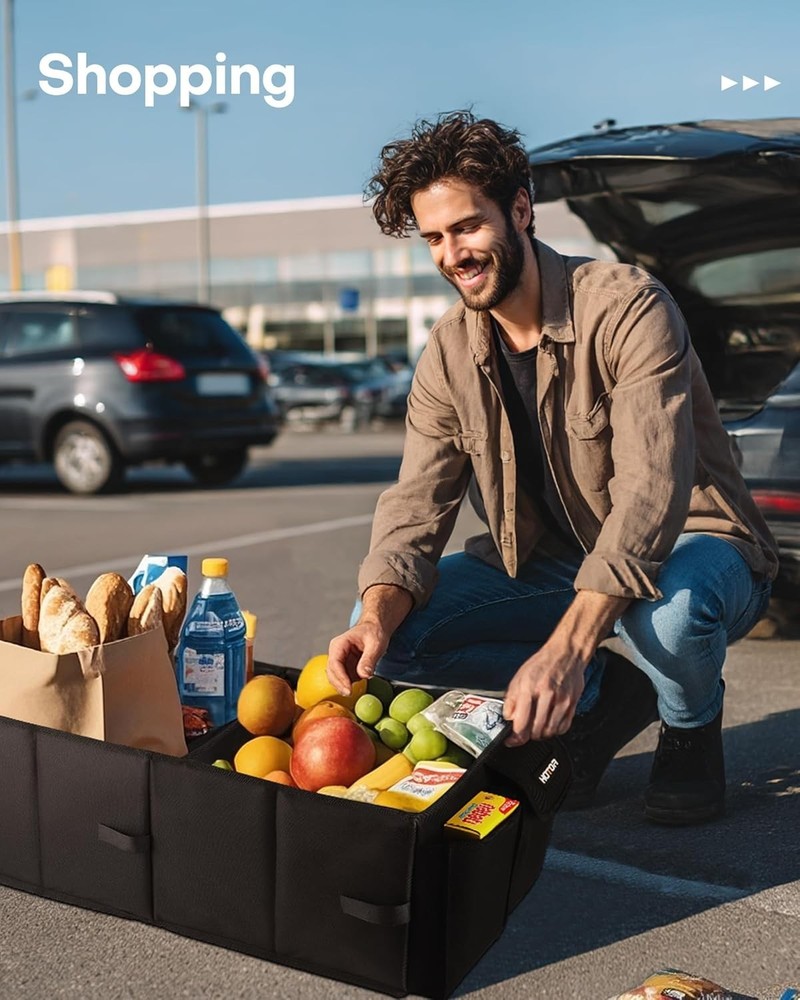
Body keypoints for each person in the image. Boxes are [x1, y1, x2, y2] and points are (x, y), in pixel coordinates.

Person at [326, 111, 778, 825]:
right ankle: (602, 694)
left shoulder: (627, 306)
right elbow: (415, 506)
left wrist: (563, 647)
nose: (454, 254)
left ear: (521, 209)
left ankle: (691, 725)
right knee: (387, 627)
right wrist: (377, 612)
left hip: (690, 545)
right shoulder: (447, 354)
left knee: (672, 615)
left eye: (468, 226)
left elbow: (651, 494)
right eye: (435, 238)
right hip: (551, 563)